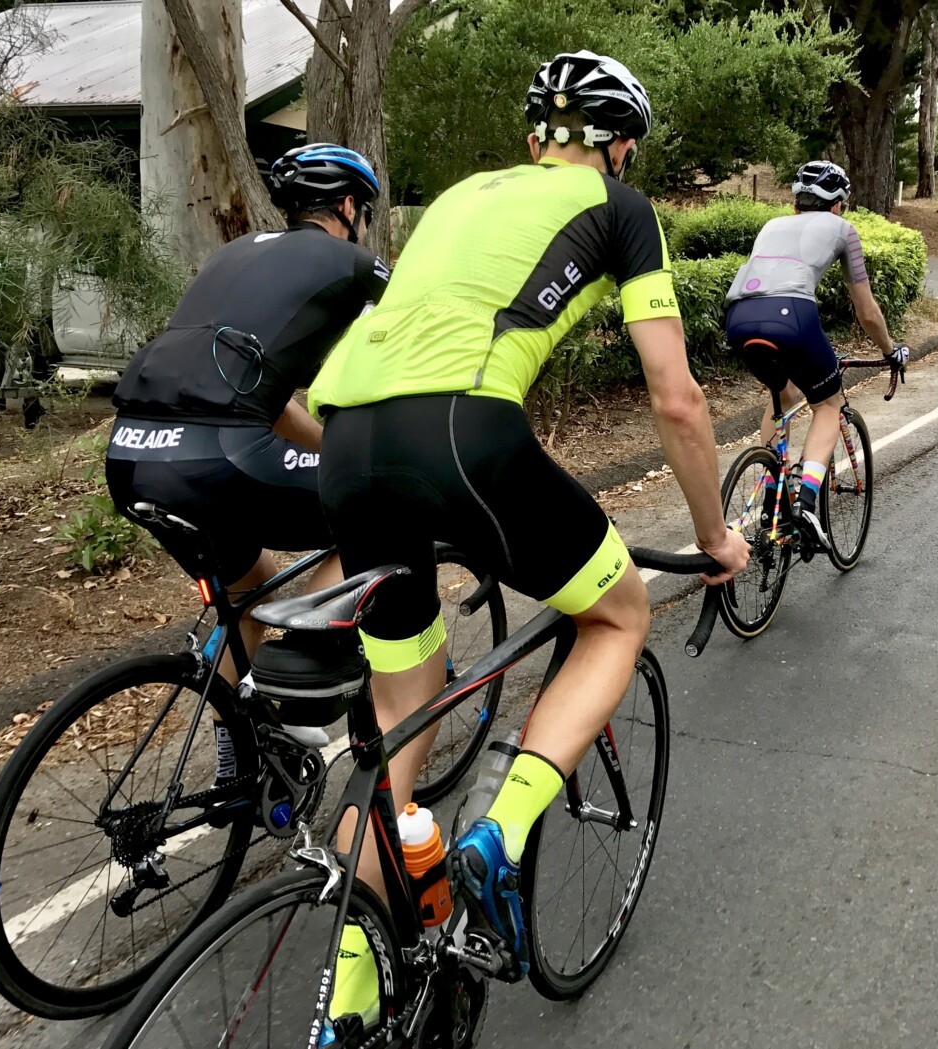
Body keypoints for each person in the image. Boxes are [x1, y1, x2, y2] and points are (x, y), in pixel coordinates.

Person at [307, 50, 748, 1035]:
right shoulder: (621, 211)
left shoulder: (464, 195)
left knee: (399, 719)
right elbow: (674, 396)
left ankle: (348, 992)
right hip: (463, 436)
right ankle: (498, 836)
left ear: (532, 137)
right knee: (616, 611)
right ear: (620, 143)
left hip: (345, 437)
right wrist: (715, 534)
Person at [105, 143, 391, 773]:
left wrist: (331, 450)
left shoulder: (231, 256)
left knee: (251, 590)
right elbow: (396, 363)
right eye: (362, 212)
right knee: (375, 505)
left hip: (131, 456)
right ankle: (295, 674)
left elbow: (260, 401)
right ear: (349, 206)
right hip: (217, 456)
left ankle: (238, 739)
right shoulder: (354, 264)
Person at [723, 160, 907, 547]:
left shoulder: (772, 226)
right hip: (792, 317)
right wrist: (890, 351)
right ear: (839, 204)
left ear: (796, 203)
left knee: (785, 395)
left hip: (738, 317)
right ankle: (806, 501)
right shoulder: (843, 229)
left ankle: (774, 492)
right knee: (827, 403)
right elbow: (867, 311)